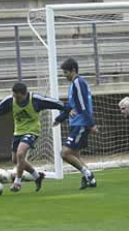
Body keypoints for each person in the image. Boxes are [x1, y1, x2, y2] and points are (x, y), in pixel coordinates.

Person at [0, 82, 68, 193]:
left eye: (17, 97)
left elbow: (54, 103)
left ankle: (17, 183)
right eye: (14, 96)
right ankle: (37, 176)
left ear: (24, 94)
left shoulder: (36, 100)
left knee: (20, 154)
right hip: (18, 132)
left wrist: (67, 109)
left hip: (32, 131)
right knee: (15, 160)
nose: (15, 99)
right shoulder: (11, 100)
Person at [53, 57, 98, 190]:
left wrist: (91, 124)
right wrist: (60, 118)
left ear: (73, 70)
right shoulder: (74, 84)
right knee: (76, 156)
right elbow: (73, 106)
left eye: (66, 73)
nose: (64, 76)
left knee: (65, 153)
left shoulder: (79, 82)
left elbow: (83, 105)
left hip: (81, 124)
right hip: (76, 124)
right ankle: (90, 179)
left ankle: (88, 174)